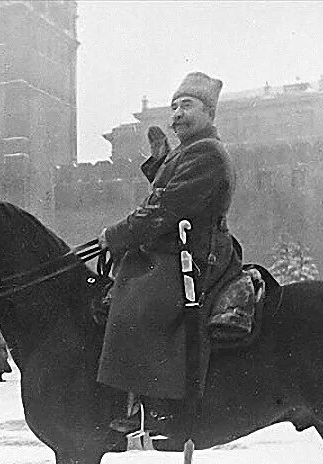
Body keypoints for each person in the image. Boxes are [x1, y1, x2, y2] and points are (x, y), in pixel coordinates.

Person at [97, 71, 242, 435]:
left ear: (209, 113)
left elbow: (168, 208)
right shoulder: (191, 151)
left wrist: (117, 234)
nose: (177, 113)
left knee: (141, 299)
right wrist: (159, 164)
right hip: (180, 247)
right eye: (174, 106)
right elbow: (170, 192)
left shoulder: (207, 152)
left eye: (187, 105)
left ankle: (154, 406)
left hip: (197, 252)